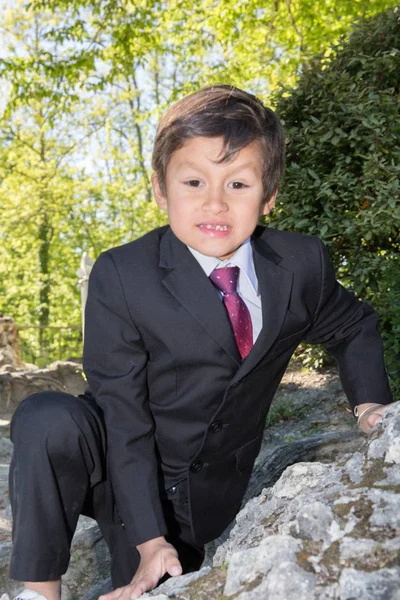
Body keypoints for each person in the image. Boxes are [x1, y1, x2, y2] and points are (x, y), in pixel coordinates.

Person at [8, 85, 394, 600]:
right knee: (46, 417)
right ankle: (38, 592)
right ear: (161, 191)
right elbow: (122, 412)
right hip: (119, 463)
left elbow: (352, 325)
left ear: (269, 195)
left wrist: (370, 404)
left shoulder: (300, 265)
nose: (215, 201)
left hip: (203, 490)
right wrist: (148, 536)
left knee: (148, 588)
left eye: (238, 183)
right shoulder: (124, 274)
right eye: (193, 181)